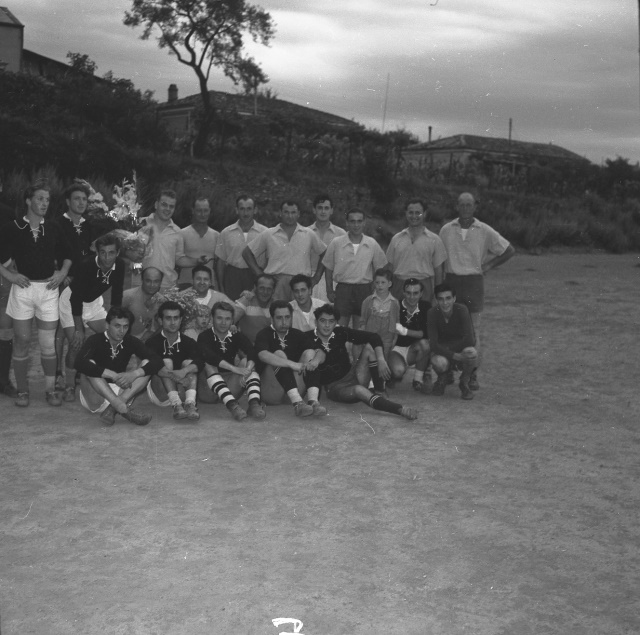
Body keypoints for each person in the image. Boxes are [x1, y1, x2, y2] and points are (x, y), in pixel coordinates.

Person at [0, 180, 72, 407]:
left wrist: (62, 272)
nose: (44, 203)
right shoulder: (12, 227)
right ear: (28, 200)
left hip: (48, 291)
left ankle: (50, 390)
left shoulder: (53, 227)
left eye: (47, 200)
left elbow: (68, 255)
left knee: (48, 343)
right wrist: (10, 275)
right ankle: (23, 391)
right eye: (40, 199)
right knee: (22, 340)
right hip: (22, 291)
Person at [439, 192, 514, 389]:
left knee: (473, 331)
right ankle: (447, 371)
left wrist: (488, 266)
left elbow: (509, 250)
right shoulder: (446, 230)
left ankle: (471, 374)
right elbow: (438, 256)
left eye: (469, 205)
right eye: (462, 204)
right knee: (448, 328)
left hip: (473, 283)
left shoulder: (484, 230)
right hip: (451, 281)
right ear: (456, 206)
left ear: (475, 207)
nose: (465, 208)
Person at [303, 304, 418, 420]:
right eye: (323, 321)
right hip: (336, 387)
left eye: (331, 321)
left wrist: (381, 360)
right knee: (359, 390)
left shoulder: (340, 332)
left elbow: (374, 337)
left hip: (354, 374)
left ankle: (379, 391)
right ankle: (400, 409)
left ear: (336, 323)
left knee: (370, 348)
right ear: (316, 322)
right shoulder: (306, 337)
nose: (327, 325)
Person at [57, 233, 126, 401]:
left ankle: (103, 376)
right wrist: (79, 329)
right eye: (103, 253)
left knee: (113, 336)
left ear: (117, 253)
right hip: (71, 303)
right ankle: (69, 384)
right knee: (76, 344)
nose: (107, 258)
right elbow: (76, 299)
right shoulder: (86, 265)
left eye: (111, 253)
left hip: (93, 303)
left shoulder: (120, 265)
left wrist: (115, 321)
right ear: (97, 252)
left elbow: (117, 297)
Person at [74, 306, 163, 425]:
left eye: (125, 326)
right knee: (89, 364)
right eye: (117, 326)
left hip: (122, 394)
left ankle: (113, 408)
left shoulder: (130, 341)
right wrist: (111, 374)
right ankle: (121, 408)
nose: (121, 331)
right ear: (107, 325)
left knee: (147, 363)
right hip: (96, 397)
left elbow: (158, 361)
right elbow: (78, 362)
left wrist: (134, 374)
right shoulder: (94, 340)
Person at [242, 200, 326, 301]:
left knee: (298, 311)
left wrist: (316, 278)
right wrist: (259, 274)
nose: (290, 216)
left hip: (300, 284)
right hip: (276, 283)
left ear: (298, 214)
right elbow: (247, 253)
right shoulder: (269, 234)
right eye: (286, 212)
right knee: (276, 310)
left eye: (293, 212)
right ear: (280, 213)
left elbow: (324, 252)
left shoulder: (308, 233)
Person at [254, 300, 326, 415]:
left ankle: (313, 402)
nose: (284, 322)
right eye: (279, 318)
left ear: (291, 317)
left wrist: (315, 361)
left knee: (310, 353)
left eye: (287, 317)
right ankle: (298, 403)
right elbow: (262, 354)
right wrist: (291, 364)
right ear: (272, 319)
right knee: (279, 354)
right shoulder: (264, 334)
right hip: (271, 392)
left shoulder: (297, 334)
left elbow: (320, 352)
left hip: (293, 390)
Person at [197, 301, 265, 420]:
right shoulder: (204, 336)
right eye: (219, 318)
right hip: (208, 392)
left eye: (227, 319)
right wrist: (235, 369)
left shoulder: (235, 335)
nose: (223, 323)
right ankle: (232, 406)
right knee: (208, 363)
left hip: (230, 387)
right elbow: (210, 357)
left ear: (232, 320)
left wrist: (247, 370)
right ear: (212, 318)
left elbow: (252, 351)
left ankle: (254, 404)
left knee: (247, 361)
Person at [323, 208, 388, 327]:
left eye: (359, 221)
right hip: (343, 289)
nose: (356, 225)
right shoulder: (336, 243)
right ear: (347, 223)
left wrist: (375, 287)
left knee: (360, 329)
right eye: (352, 221)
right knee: (340, 327)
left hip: (364, 290)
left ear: (364, 223)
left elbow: (380, 268)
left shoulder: (372, 243)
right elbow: (328, 268)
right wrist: (329, 290)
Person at [138, 188, 208, 290]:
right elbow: (127, 250)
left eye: (171, 206)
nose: (167, 209)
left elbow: (179, 259)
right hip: (142, 284)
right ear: (156, 204)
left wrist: (197, 261)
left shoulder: (177, 232)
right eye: (164, 204)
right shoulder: (140, 224)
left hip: (167, 285)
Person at [146, 301, 202, 421]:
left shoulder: (189, 342)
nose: (172, 322)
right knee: (166, 362)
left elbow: (200, 362)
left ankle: (190, 404)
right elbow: (155, 367)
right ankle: (176, 404)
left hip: (182, 391)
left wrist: (184, 371)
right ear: (160, 320)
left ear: (181, 320)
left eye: (176, 318)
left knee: (190, 364)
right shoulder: (151, 342)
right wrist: (179, 378)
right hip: (160, 394)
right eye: (168, 318)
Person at [386, 198, 447, 302]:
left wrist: (438, 295)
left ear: (425, 214)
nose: (414, 216)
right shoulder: (396, 238)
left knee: (424, 313)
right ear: (406, 214)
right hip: (399, 287)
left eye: (418, 213)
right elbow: (390, 268)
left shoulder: (434, 239)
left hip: (424, 287)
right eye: (411, 212)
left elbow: (438, 271)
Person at [427, 282, 477, 400]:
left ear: (454, 298)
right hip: (444, 352)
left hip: (456, 349)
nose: (445, 303)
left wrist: (452, 353)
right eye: (441, 299)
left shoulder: (462, 309)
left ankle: (464, 381)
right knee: (438, 362)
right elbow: (433, 344)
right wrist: (453, 355)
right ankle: (443, 377)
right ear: (436, 300)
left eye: (448, 298)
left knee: (471, 353)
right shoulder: (432, 313)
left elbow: (470, 339)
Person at [215, 194, 267, 300]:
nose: (245, 213)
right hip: (232, 277)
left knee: (254, 308)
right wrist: (221, 287)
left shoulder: (265, 233)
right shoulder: (226, 233)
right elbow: (220, 262)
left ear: (255, 210)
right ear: (236, 210)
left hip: (255, 276)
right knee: (231, 307)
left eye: (249, 209)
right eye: (242, 209)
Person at [388, 278, 433, 394]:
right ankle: (390, 373)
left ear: (421, 294)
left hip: (413, 349)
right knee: (398, 371)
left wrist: (403, 331)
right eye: (408, 293)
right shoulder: (394, 305)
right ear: (403, 293)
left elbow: (423, 334)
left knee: (425, 344)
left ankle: (418, 379)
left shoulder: (426, 306)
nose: (412, 297)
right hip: (395, 349)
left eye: (415, 293)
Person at [308, 194, 346, 303]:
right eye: (320, 208)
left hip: (332, 281)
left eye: (326, 208)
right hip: (311, 280)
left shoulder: (341, 234)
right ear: (314, 210)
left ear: (331, 210)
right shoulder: (306, 232)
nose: (323, 211)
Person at [177, 197, 219, 287]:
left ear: (210, 211)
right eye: (199, 210)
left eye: (205, 210)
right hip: (186, 284)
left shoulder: (216, 236)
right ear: (193, 211)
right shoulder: (182, 233)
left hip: (208, 285)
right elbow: (178, 260)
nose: (202, 214)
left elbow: (218, 265)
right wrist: (197, 261)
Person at [358, 268, 400, 359]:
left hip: (387, 337)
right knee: (369, 358)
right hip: (370, 335)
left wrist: (395, 338)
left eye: (383, 282)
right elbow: (363, 320)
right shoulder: (368, 301)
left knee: (383, 360)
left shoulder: (394, 302)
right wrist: (363, 335)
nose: (379, 285)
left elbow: (397, 321)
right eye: (377, 282)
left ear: (390, 284)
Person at [122, 266, 163, 341]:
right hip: (125, 339)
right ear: (142, 280)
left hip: (148, 340)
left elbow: (164, 327)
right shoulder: (127, 296)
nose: (152, 285)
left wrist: (150, 338)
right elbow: (112, 321)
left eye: (156, 281)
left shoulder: (161, 300)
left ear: (160, 282)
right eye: (148, 281)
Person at [234, 273, 276, 343]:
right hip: (245, 345)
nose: (265, 292)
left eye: (269, 289)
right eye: (262, 288)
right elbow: (231, 319)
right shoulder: (247, 300)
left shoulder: (276, 305)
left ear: (273, 290)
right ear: (255, 288)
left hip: (267, 346)